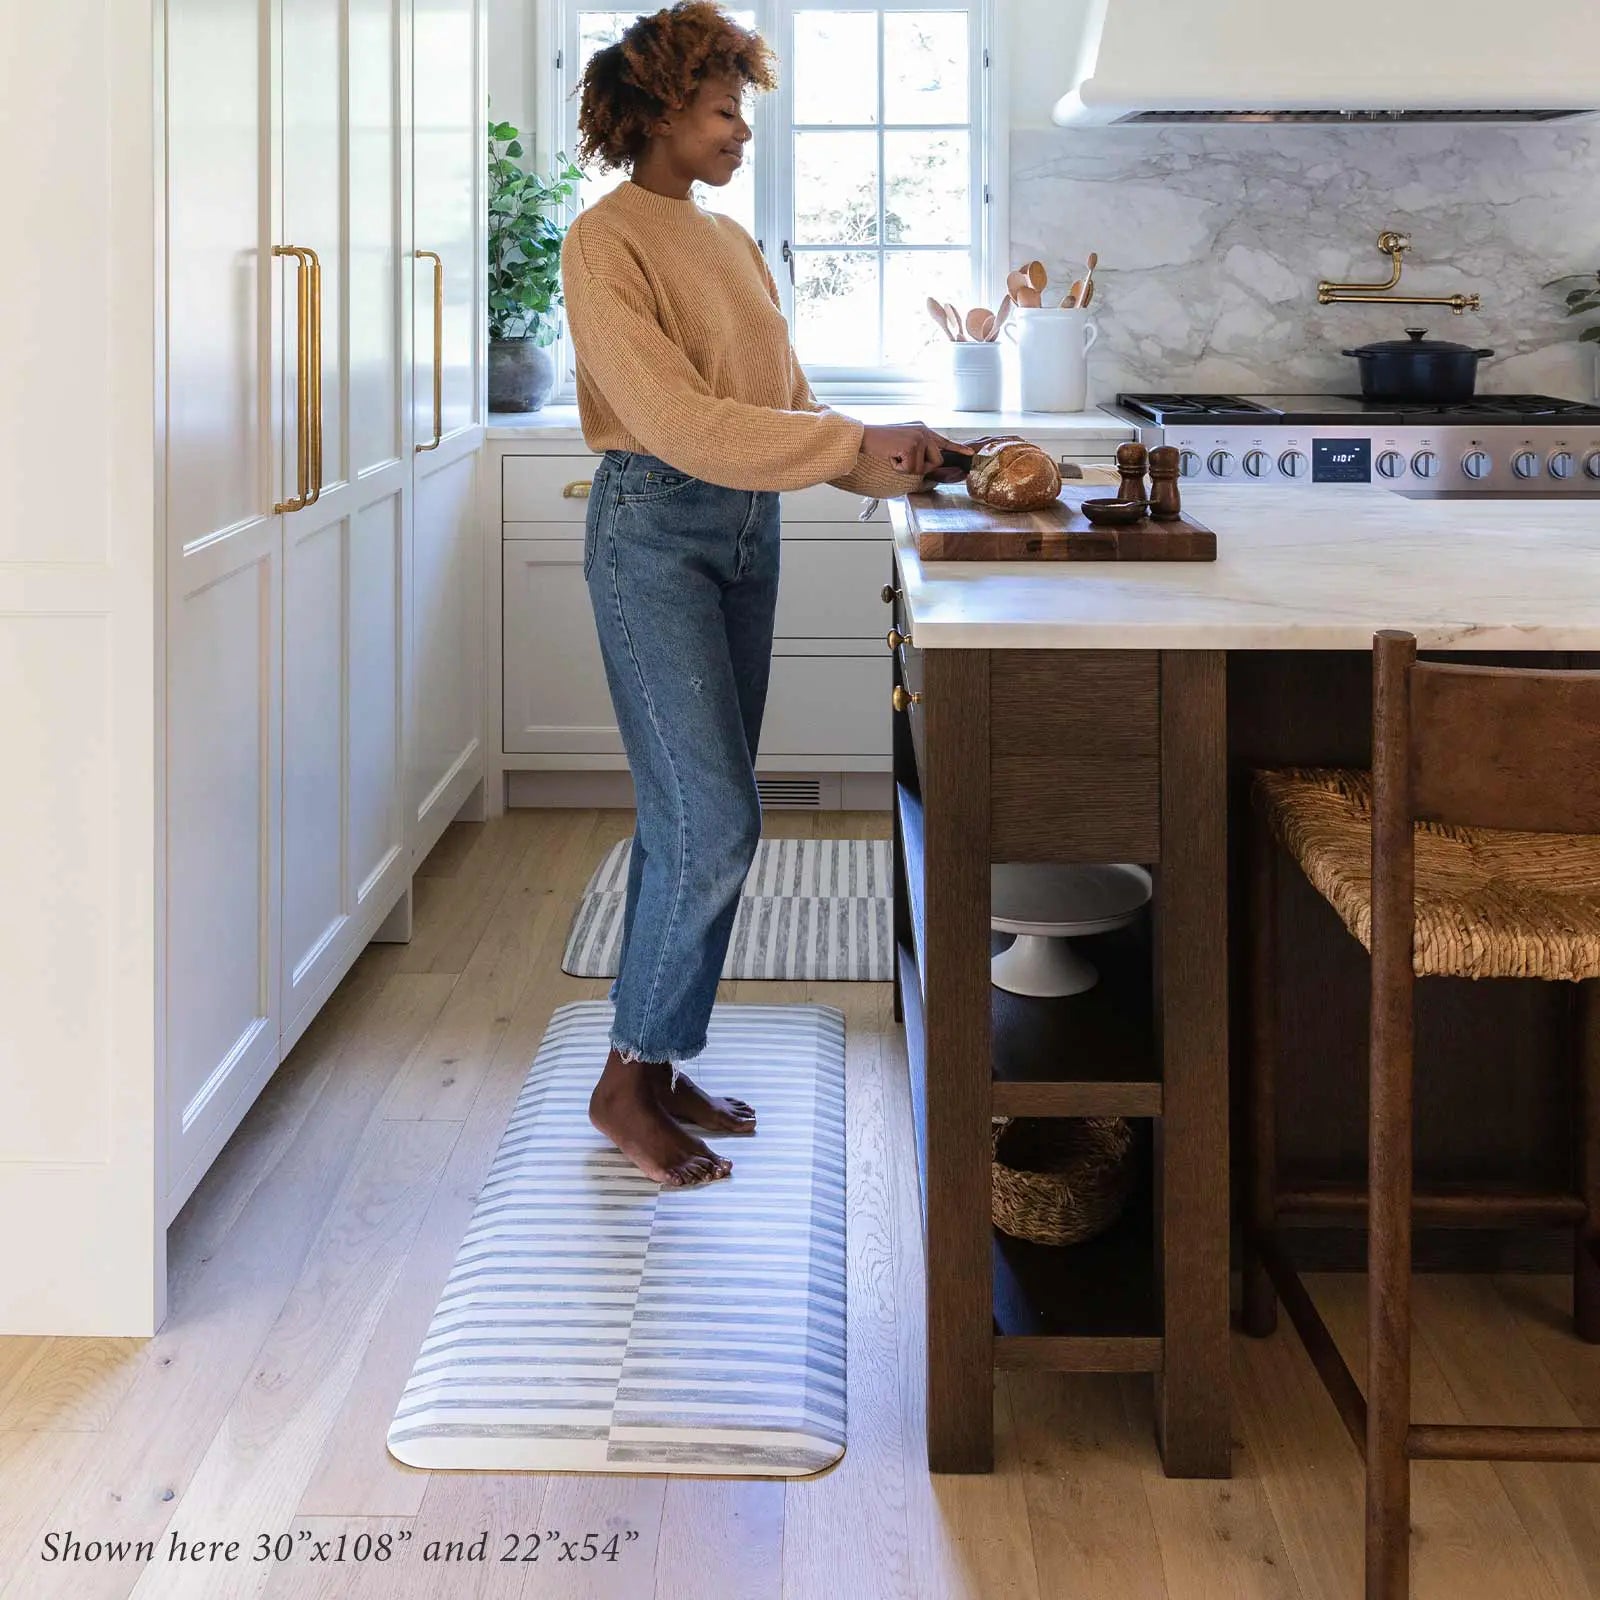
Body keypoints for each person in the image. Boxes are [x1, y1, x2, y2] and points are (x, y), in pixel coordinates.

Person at [560, 1, 963, 1188]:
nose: (743, 133)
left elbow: (780, 407)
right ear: (660, 112)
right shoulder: (606, 242)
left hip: (746, 528)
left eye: (745, 110)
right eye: (725, 110)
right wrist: (847, 439)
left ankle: (664, 1056)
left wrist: (885, 459)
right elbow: (680, 422)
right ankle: (624, 1083)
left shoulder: (728, 243)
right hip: (652, 533)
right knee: (719, 817)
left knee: (686, 815)